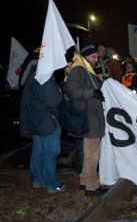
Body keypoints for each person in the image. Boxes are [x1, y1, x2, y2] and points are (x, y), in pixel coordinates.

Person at [64, 44, 107, 197]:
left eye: (98, 57)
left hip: (92, 116)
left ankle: (84, 181)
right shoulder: (79, 69)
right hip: (89, 118)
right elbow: (71, 89)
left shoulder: (87, 70)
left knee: (90, 151)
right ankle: (92, 186)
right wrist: (92, 92)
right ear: (87, 56)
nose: (97, 59)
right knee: (92, 153)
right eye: (94, 56)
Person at [20, 64, 66, 193]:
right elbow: (54, 103)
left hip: (37, 121)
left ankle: (38, 180)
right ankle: (52, 184)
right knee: (52, 152)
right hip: (47, 122)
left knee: (38, 151)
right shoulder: (45, 77)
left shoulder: (34, 74)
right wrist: (60, 115)